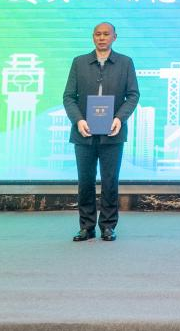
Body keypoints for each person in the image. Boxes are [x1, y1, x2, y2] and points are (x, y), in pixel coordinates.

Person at [62, 21, 140, 242]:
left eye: (106, 34)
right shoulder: (79, 62)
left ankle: (108, 226)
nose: (102, 37)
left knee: (109, 180)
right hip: (84, 133)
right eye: (98, 34)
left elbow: (133, 95)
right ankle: (86, 227)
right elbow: (69, 96)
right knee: (85, 181)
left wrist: (119, 118)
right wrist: (78, 120)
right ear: (93, 37)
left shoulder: (125, 62)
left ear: (115, 37)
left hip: (112, 133)